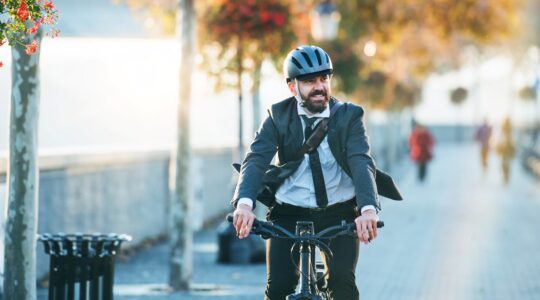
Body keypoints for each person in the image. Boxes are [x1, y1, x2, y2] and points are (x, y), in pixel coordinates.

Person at [231, 45, 380, 300]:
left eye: (324, 78)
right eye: (310, 81)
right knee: (277, 288)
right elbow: (256, 159)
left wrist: (367, 210)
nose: (319, 86)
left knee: (343, 286)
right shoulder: (278, 116)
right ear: (292, 87)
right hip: (288, 212)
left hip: (339, 211)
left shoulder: (349, 116)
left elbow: (361, 161)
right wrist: (244, 205)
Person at [496, 117, 516, 184]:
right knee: (504, 164)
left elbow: (513, 141)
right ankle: (505, 176)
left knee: (506, 164)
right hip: (505, 149)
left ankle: (506, 177)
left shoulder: (510, 129)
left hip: (507, 150)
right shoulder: (504, 128)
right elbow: (500, 138)